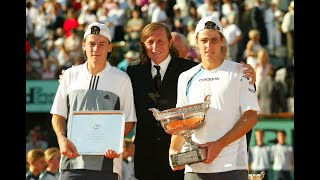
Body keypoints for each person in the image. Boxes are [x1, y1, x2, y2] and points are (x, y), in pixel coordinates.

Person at [125, 22, 257, 180]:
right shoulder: (133, 71)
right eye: (150, 42)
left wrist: (250, 78)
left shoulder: (189, 70)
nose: (155, 46)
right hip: (150, 159)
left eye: (160, 41)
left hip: (202, 162)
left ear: (170, 42)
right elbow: (128, 111)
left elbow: (249, 115)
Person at [169, 16, 261, 180]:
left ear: (221, 41)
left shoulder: (241, 72)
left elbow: (251, 116)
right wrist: (174, 150)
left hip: (232, 167)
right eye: (204, 40)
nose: (208, 46)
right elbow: (181, 122)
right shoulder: (185, 77)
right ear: (196, 41)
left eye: (214, 40)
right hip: (195, 169)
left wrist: (219, 145)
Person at [50, 22, 137, 180]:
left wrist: (114, 142)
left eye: (101, 44)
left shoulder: (122, 79)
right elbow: (58, 115)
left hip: (107, 166)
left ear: (110, 47)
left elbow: (129, 121)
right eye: (91, 44)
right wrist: (61, 139)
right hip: (71, 165)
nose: (96, 49)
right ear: (83, 45)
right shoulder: (70, 75)